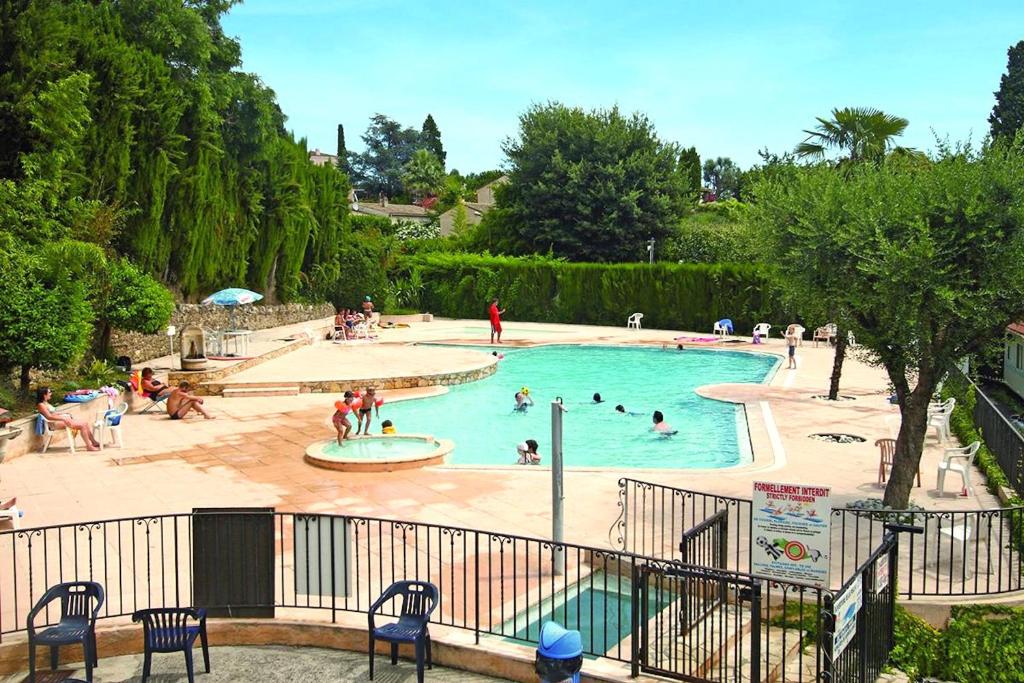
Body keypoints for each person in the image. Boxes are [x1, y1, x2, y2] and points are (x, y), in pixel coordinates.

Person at [36, 387, 101, 451]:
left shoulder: (46, 403)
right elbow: (49, 416)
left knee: (85, 423)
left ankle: (94, 442)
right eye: (49, 392)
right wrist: (63, 418)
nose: (51, 393)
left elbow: (52, 413)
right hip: (54, 424)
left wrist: (64, 414)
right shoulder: (41, 405)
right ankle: (89, 446)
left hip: (58, 421)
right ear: (44, 395)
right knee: (82, 425)